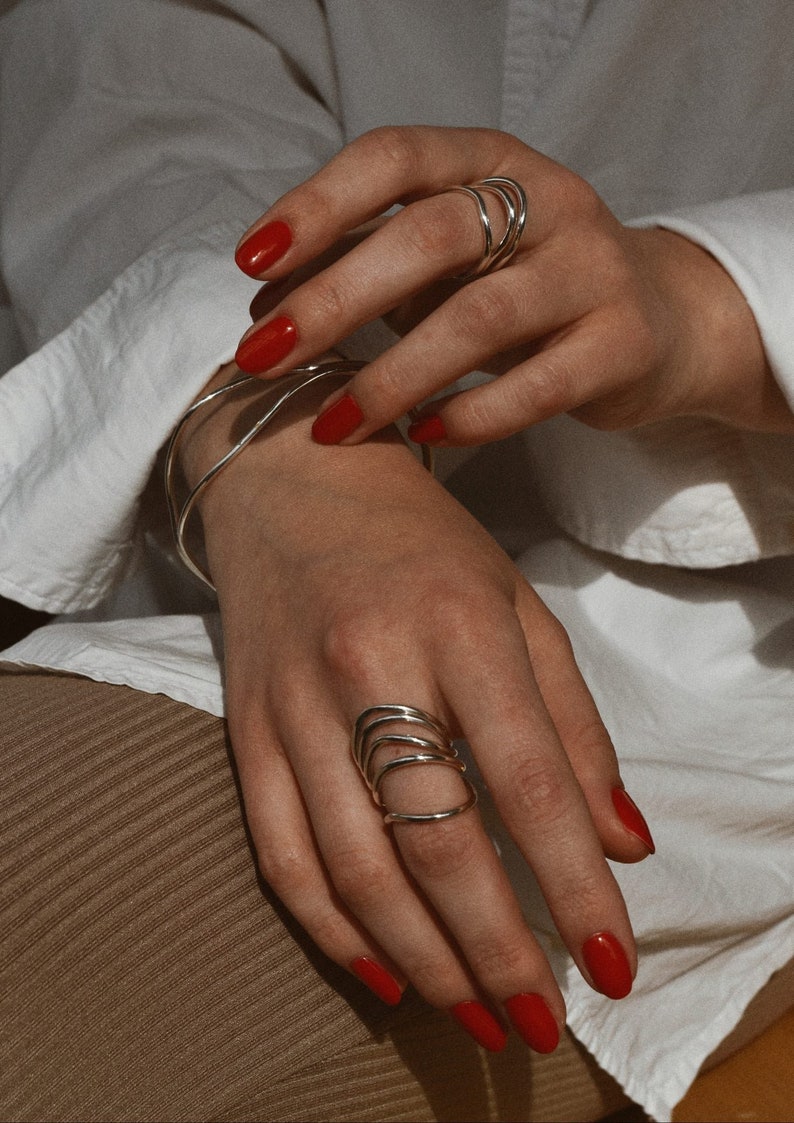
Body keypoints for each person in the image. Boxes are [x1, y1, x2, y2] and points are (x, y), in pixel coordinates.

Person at [1, 3, 792, 1121]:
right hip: (217, 530)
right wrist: (282, 436)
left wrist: (715, 302)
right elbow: (127, 55)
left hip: (741, 661)